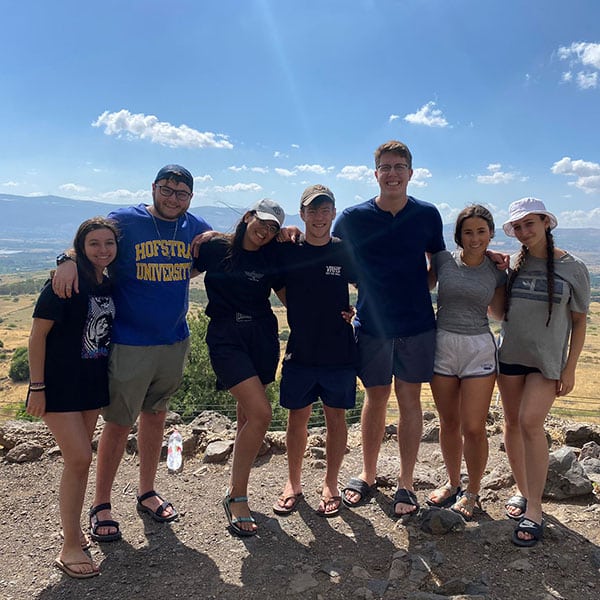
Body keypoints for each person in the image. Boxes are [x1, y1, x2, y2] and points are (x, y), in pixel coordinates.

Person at [52, 165, 211, 541]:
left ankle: (147, 491)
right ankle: (102, 503)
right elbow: (89, 240)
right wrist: (66, 260)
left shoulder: (194, 225)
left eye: (181, 193)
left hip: (174, 339)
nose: (173, 198)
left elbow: (218, 247)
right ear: (153, 188)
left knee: (155, 416)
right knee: (119, 423)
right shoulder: (125, 220)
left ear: (191, 197)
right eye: (167, 190)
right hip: (129, 341)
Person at [333, 140, 445, 516]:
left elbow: (439, 262)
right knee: (376, 397)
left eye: (400, 167)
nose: (393, 173)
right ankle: (367, 475)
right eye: (386, 167)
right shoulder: (352, 218)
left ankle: (406, 484)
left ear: (411, 173)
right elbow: (330, 256)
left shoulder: (427, 215)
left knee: (410, 400)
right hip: (373, 326)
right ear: (375, 173)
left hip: (416, 324)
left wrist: (420, 286)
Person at [27, 217, 118, 578]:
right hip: (59, 385)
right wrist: (37, 386)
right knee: (80, 457)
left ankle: (75, 533)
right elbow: (37, 336)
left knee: (77, 463)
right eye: (94, 243)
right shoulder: (65, 282)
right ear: (80, 246)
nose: (102, 250)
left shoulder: (105, 284)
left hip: (91, 383)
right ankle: (68, 546)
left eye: (109, 243)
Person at [498, 197, 590, 547]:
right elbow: (498, 311)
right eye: (518, 226)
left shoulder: (574, 267)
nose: (524, 231)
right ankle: (523, 490)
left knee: (530, 423)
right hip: (510, 357)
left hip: (547, 362)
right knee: (511, 423)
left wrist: (570, 367)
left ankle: (534, 507)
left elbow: (579, 322)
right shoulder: (513, 266)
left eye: (530, 224)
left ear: (546, 223)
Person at [194, 199, 285, 537]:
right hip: (225, 336)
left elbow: (293, 294)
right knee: (262, 414)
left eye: (274, 227)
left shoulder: (273, 255)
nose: (266, 230)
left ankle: (237, 484)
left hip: (261, 334)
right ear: (248, 217)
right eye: (262, 222)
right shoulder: (216, 247)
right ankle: (237, 496)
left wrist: (336, 311)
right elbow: (177, 270)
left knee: (248, 415)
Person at [271, 185, 357, 518]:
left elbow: (366, 283)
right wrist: (296, 309)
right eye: (312, 210)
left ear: (334, 213)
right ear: (302, 213)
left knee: (336, 419)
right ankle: (293, 483)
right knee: (298, 419)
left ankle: (331, 485)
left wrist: (355, 310)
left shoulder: (343, 250)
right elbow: (278, 283)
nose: (319, 217)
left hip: (339, 348)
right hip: (301, 347)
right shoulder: (289, 249)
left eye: (325, 210)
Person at [426, 205, 506, 519]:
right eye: (468, 232)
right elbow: (422, 286)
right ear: (458, 235)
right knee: (448, 423)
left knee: (473, 427)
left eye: (481, 231)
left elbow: (498, 314)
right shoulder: (443, 261)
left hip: (478, 349)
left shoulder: (497, 270)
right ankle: (452, 481)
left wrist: (502, 267)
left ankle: (473, 492)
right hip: (443, 344)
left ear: (491, 234)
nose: (474, 238)